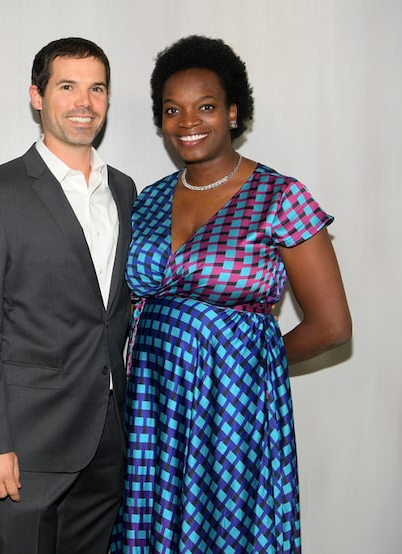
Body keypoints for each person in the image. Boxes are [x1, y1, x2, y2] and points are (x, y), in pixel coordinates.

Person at [109, 35, 352, 552]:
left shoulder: (280, 197)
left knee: (228, 528)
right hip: (153, 402)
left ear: (233, 112)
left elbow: (332, 326)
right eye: (172, 109)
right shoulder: (148, 200)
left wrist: (246, 364)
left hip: (234, 407)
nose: (188, 122)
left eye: (206, 107)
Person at [0, 37, 137, 554]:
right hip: (27, 445)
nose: (86, 102)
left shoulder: (123, 189)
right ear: (37, 96)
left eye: (97, 88)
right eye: (68, 86)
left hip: (107, 437)